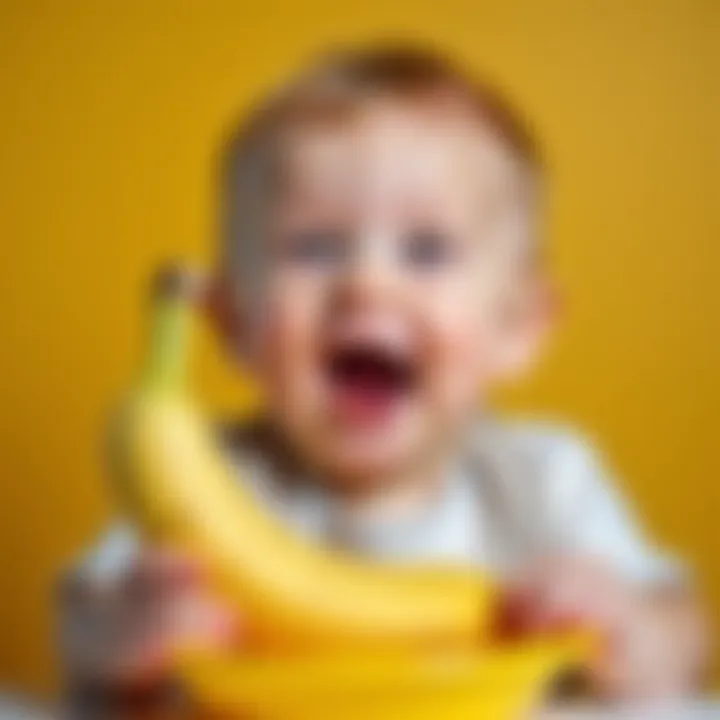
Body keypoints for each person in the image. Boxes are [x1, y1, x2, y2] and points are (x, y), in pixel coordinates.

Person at [59, 43, 710, 712]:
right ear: (233, 326)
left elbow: (685, 644)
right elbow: (83, 626)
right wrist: (120, 636)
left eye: (426, 250)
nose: (367, 283)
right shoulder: (199, 483)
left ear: (518, 327)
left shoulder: (544, 477)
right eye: (313, 247)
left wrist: (629, 624)